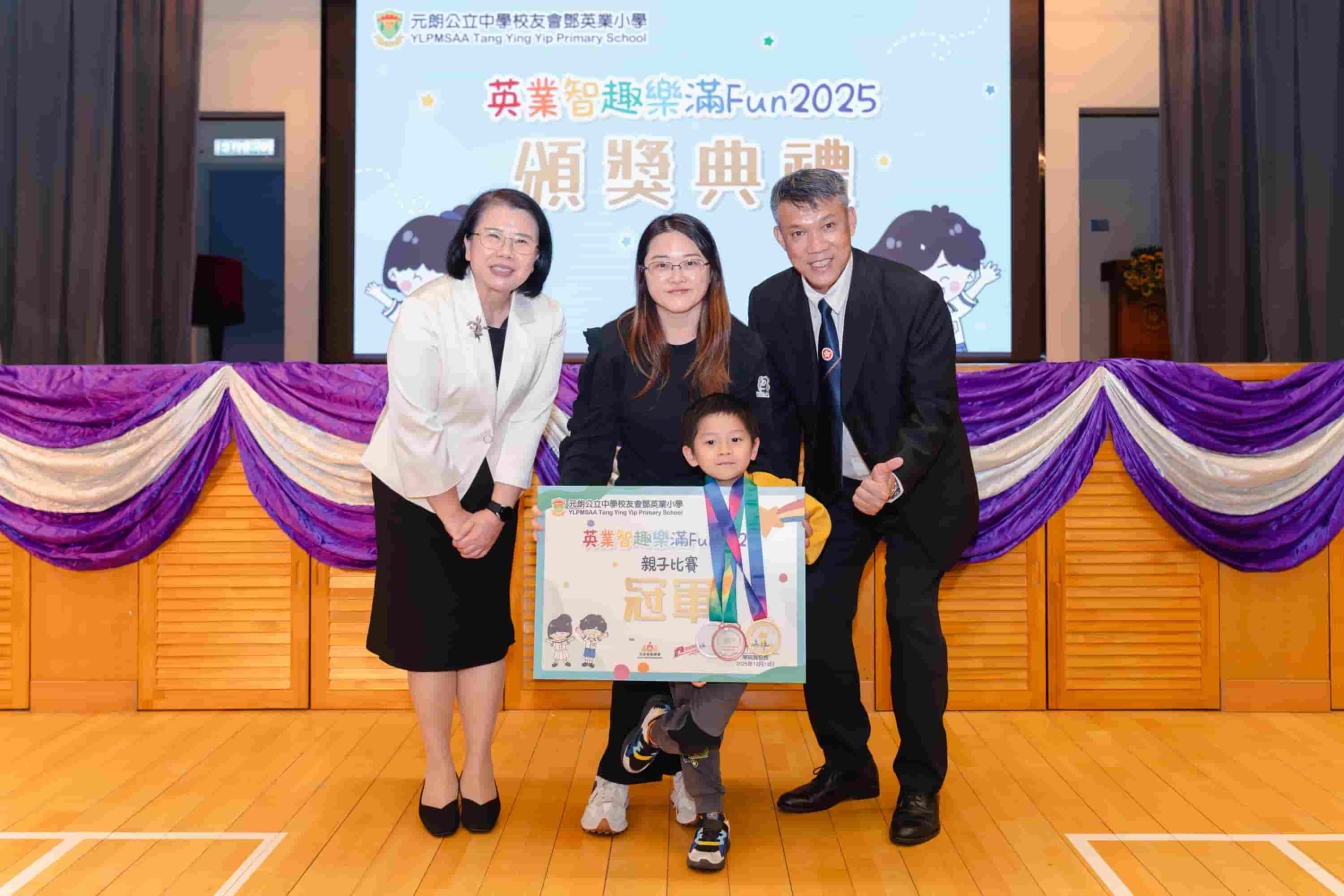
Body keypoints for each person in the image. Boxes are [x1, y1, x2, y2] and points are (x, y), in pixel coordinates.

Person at [748, 168, 979, 846]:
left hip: (917, 487)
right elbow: (778, 415)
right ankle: (849, 766)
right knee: (817, 617)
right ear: (780, 238)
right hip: (836, 493)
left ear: (851, 220)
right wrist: (773, 494)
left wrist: (893, 477)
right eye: (798, 233)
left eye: (827, 226)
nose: (816, 245)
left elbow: (934, 409)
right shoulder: (770, 301)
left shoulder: (912, 294)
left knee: (909, 620)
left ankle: (920, 783)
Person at [541, 213, 778, 836]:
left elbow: (769, 446)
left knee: (705, 662)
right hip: (639, 523)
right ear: (642, 274)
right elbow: (590, 440)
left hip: (722, 525)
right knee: (635, 657)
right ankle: (614, 779)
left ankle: (682, 775)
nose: (677, 276)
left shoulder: (746, 347)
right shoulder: (616, 343)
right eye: (662, 264)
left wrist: (776, 520)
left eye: (690, 262)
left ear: (711, 271)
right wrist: (568, 517)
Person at [362, 187, 566, 838]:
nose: (507, 251)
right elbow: (416, 425)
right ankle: (438, 767)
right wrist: (455, 519)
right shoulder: (426, 311)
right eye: (493, 236)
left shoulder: (544, 317)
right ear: (468, 246)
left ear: (538, 255)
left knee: (481, 629)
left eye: (523, 240)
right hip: (417, 488)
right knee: (430, 635)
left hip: (492, 487)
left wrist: (498, 510)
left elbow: (530, 417)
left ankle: (479, 764)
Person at [618, 392, 831, 872]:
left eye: (736, 439)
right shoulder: (677, 504)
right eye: (710, 442)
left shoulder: (774, 491)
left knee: (701, 726)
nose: (725, 450)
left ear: (754, 447)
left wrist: (803, 535)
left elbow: (817, 521)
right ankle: (711, 819)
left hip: (748, 638)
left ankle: (654, 731)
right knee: (699, 733)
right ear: (691, 454)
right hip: (687, 634)